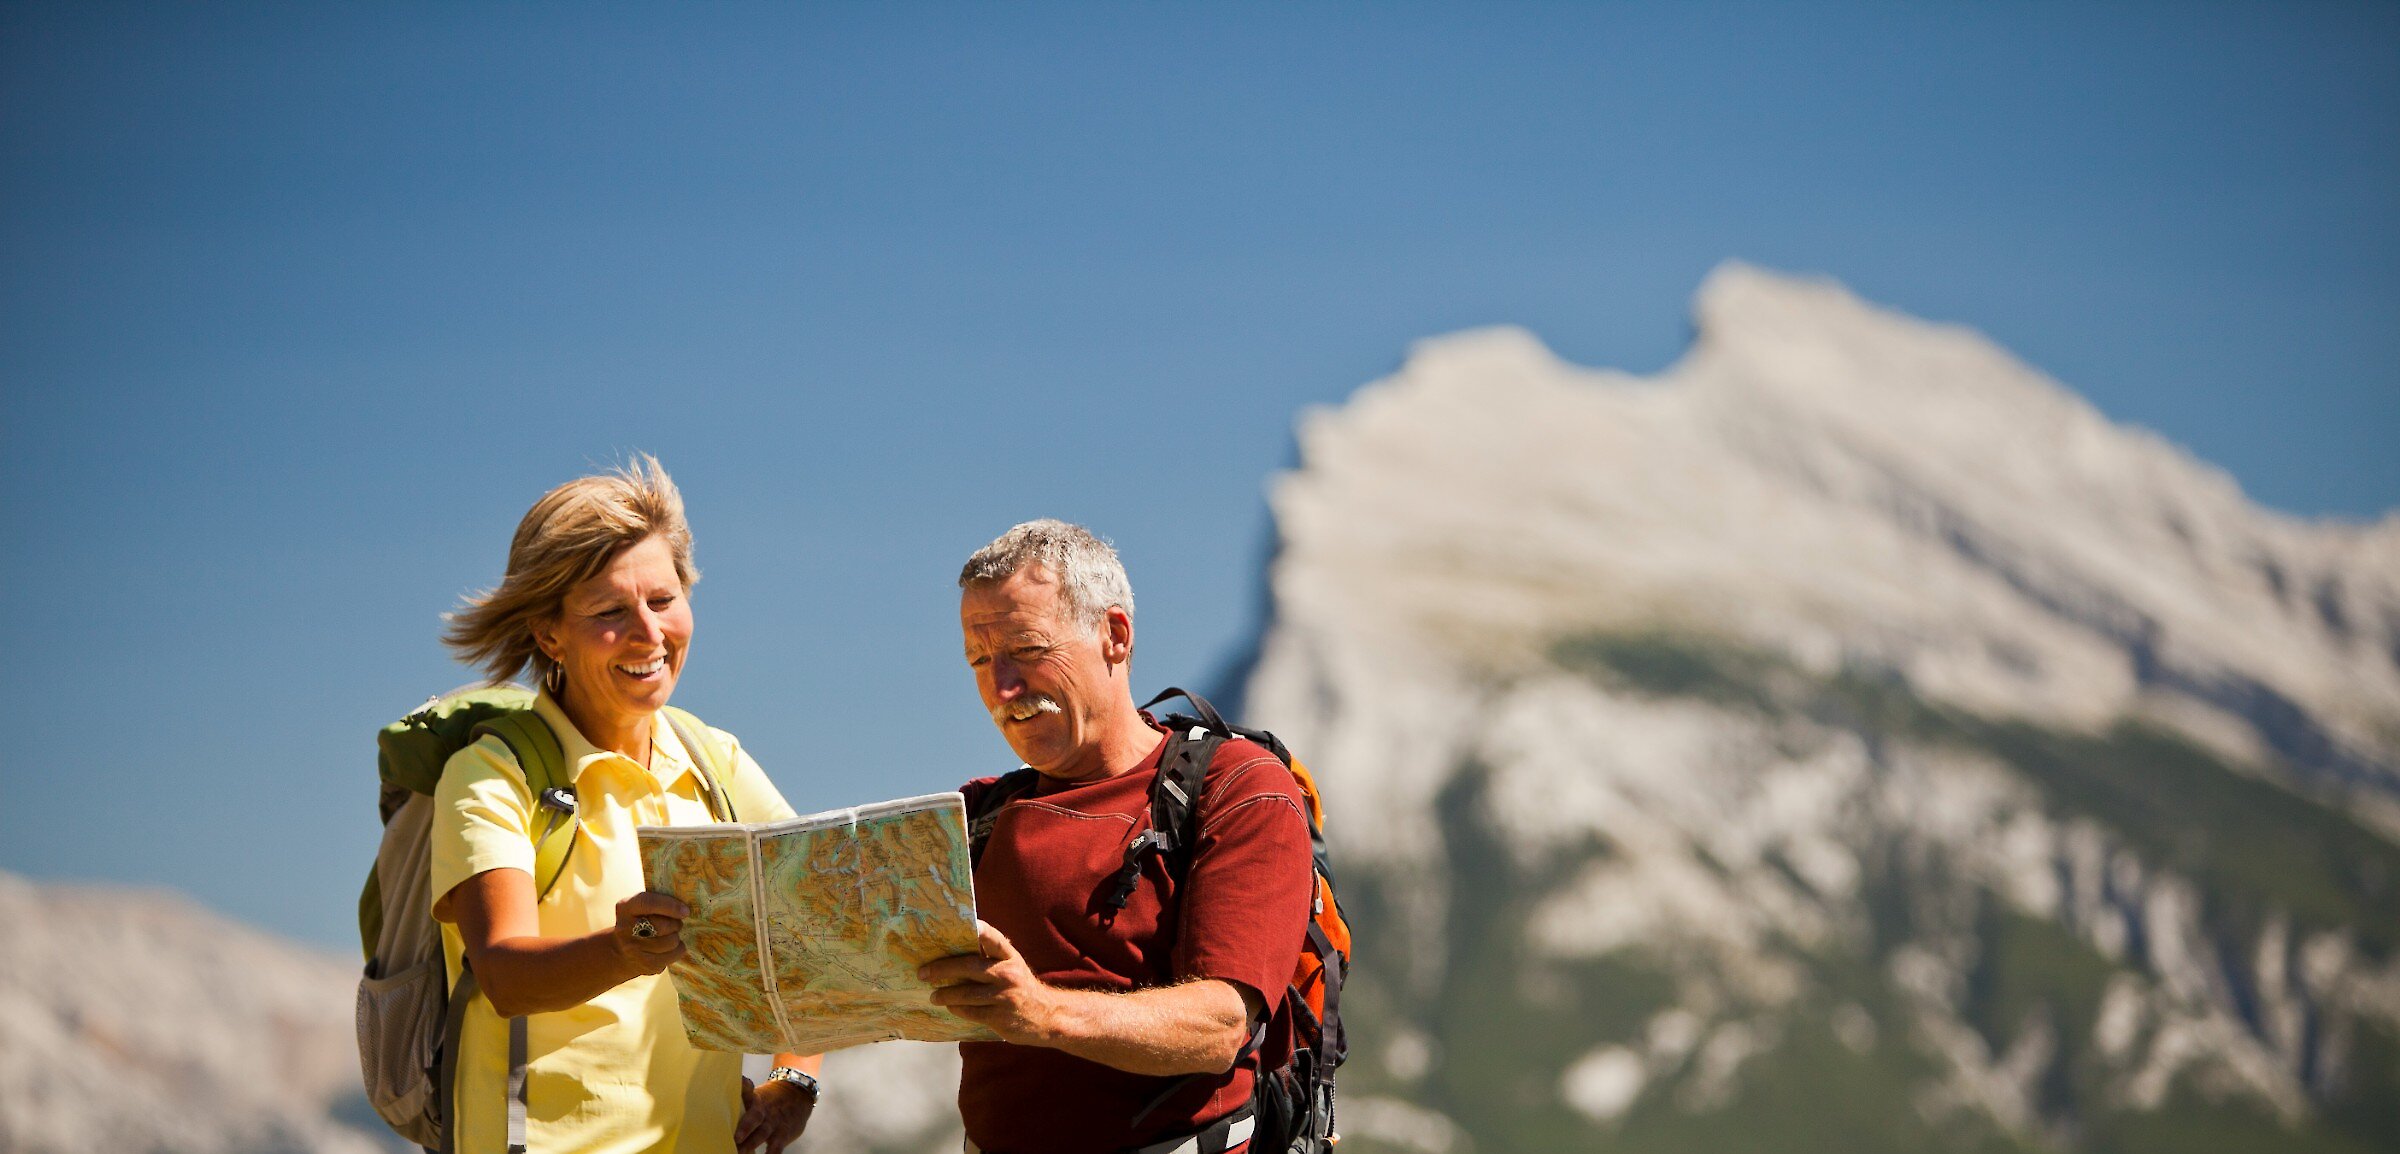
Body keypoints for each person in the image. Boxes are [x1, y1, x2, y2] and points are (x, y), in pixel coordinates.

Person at [430, 456, 819, 1154]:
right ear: (549, 634)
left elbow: (817, 918)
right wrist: (621, 950)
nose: (649, 633)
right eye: (611, 612)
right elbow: (504, 973)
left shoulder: (714, 761)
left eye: (663, 600)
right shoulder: (493, 774)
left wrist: (794, 1081)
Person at [921, 520, 1315, 1154]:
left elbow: (1222, 1026)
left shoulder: (1239, 786)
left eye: (1025, 649)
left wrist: (1045, 1014)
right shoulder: (975, 814)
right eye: (979, 660)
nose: (1002, 688)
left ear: (1114, 636)